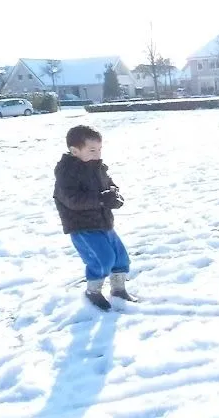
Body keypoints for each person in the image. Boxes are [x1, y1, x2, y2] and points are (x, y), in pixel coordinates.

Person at [53, 125, 136, 310]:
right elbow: (72, 200)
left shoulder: (96, 167)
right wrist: (100, 199)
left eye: (99, 149)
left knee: (121, 257)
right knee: (103, 259)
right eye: (92, 150)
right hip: (83, 227)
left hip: (104, 223)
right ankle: (93, 291)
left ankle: (118, 289)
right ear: (75, 151)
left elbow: (109, 183)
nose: (97, 154)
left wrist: (114, 194)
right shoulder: (67, 174)